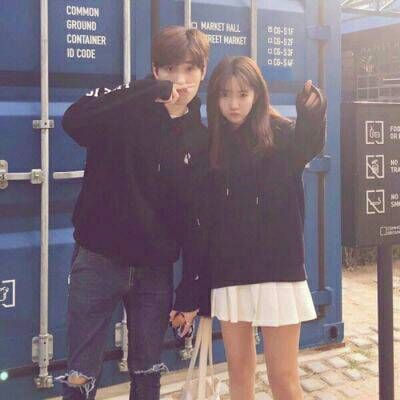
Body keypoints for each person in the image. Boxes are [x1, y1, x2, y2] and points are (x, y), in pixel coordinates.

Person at [56, 26, 210, 400]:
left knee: (147, 373)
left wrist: (191, 290)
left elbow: (196, 218)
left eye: (190, 69)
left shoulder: (199, 136)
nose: (180, 81)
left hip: (154, 270)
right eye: (170, 69)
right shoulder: (122, 108)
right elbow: (73, 121)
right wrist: (146, 91)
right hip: (98, 259)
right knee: (80, 375)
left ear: (203, 72)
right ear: (155, 70)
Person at [197, 56, 326, 400]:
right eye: (225, 95)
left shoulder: (282, 134)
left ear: (257, 94)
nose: (233, 104)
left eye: (242, 94)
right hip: (230, 271)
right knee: (239, 374)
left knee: (283, 378)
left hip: (277, 270)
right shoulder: (212, 144)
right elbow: (204, 218)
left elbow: (309, 144)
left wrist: (312, 112)